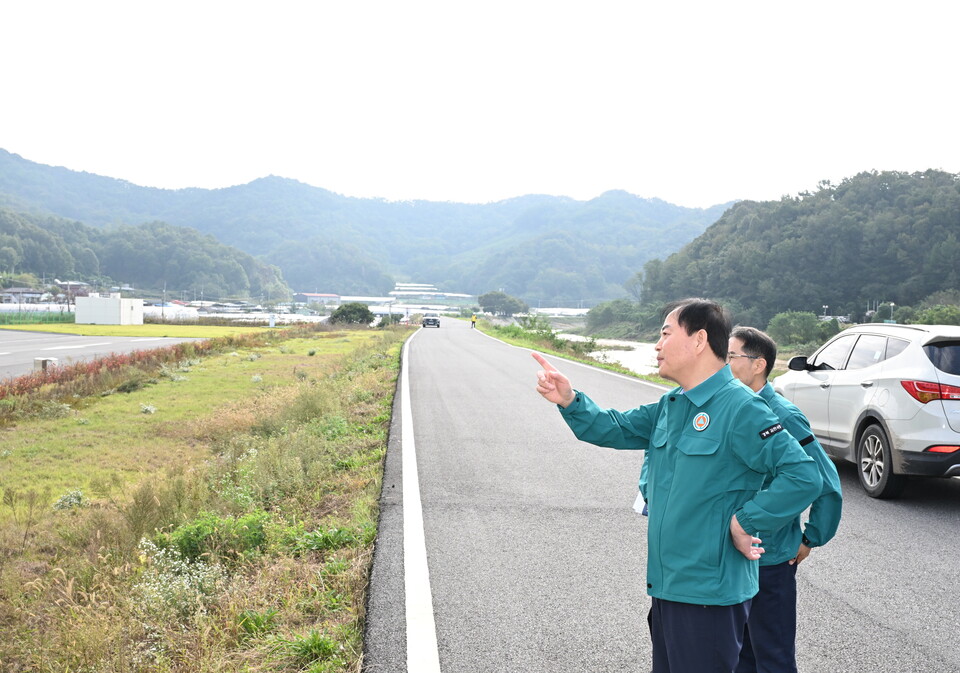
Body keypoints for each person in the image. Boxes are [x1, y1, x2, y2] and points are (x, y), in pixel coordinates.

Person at [533, 298, 822, 673]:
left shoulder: (741, 407)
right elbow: (614, 427)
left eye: (666, 334)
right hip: (669, 586)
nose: (657, 345)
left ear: (699, 340)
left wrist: (746, 522)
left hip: (709, 594)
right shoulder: (674, 403)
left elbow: (804, 475)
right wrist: (570, 400)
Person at [727, 326, 842, 673]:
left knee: (772, 655)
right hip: (733, 552)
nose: (723, 362)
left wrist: (811, 537)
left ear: (758, 364)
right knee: (740, 653)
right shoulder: (732, 407)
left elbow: (825, 481)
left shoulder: (785, 416)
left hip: (771, 557)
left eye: (731, 356)